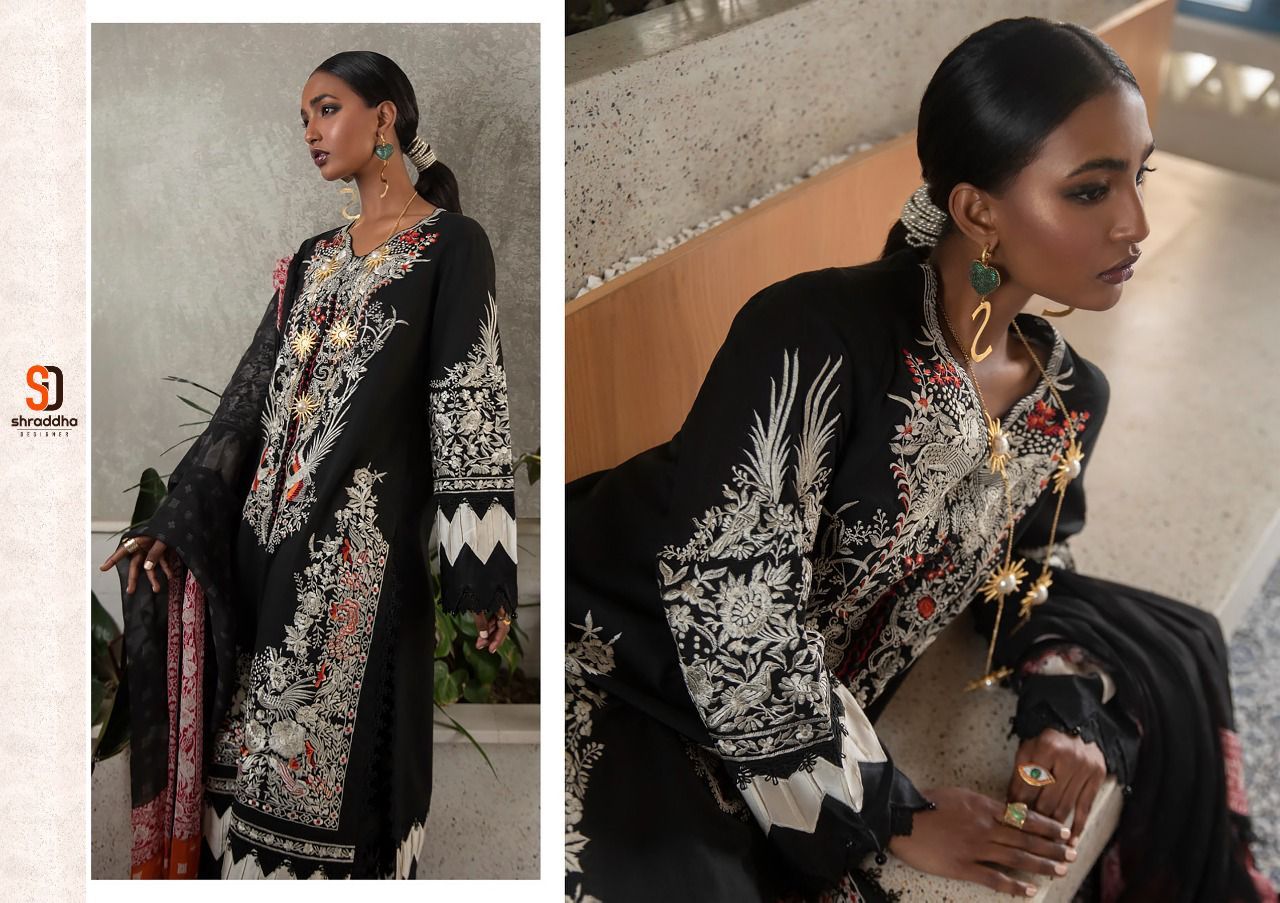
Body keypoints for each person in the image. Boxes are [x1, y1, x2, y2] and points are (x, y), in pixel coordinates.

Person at [564, 18, 1276, 903]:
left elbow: (1026, 563)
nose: (1135, 222)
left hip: (801, 700)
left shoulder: (1066, 399)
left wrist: (1063, 711)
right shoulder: (810, 337)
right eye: (1091, 190)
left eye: (1141, 176)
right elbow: (731, 613)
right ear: (977, 211)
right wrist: (892, 813)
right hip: (628, 650)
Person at [100, 50, 518, 880]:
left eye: (327, 109)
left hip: (354, 573)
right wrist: (173, 523)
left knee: (336, 812)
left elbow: (469, 401)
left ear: (384, 117)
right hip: (259, 563)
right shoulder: (311, 256)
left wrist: (481, 572)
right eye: (303, 118)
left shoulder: (450, 245)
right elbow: (245, 402)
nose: (311, 132)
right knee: (240, 800)